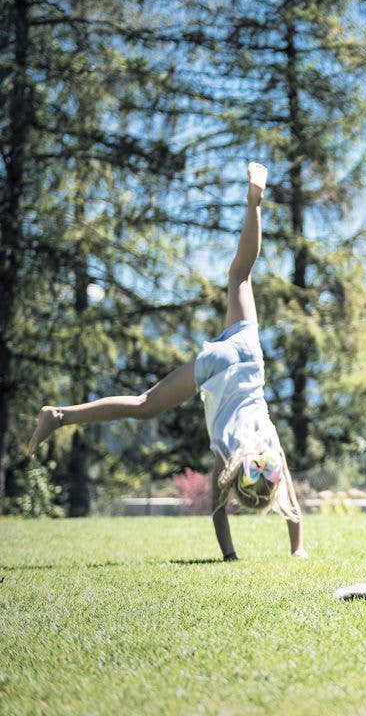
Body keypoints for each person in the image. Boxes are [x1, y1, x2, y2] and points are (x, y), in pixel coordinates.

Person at [27, 162, 305, 561]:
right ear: (238, 483)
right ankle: (59, 416)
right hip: (215, 370)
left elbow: (287, 494)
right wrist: (230, 556)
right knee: (144, 405)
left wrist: (300, 548)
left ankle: (253, 203)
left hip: (245, 356)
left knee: (240, 275)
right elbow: (217, 510)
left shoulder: (268, 453)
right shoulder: (228, 455)